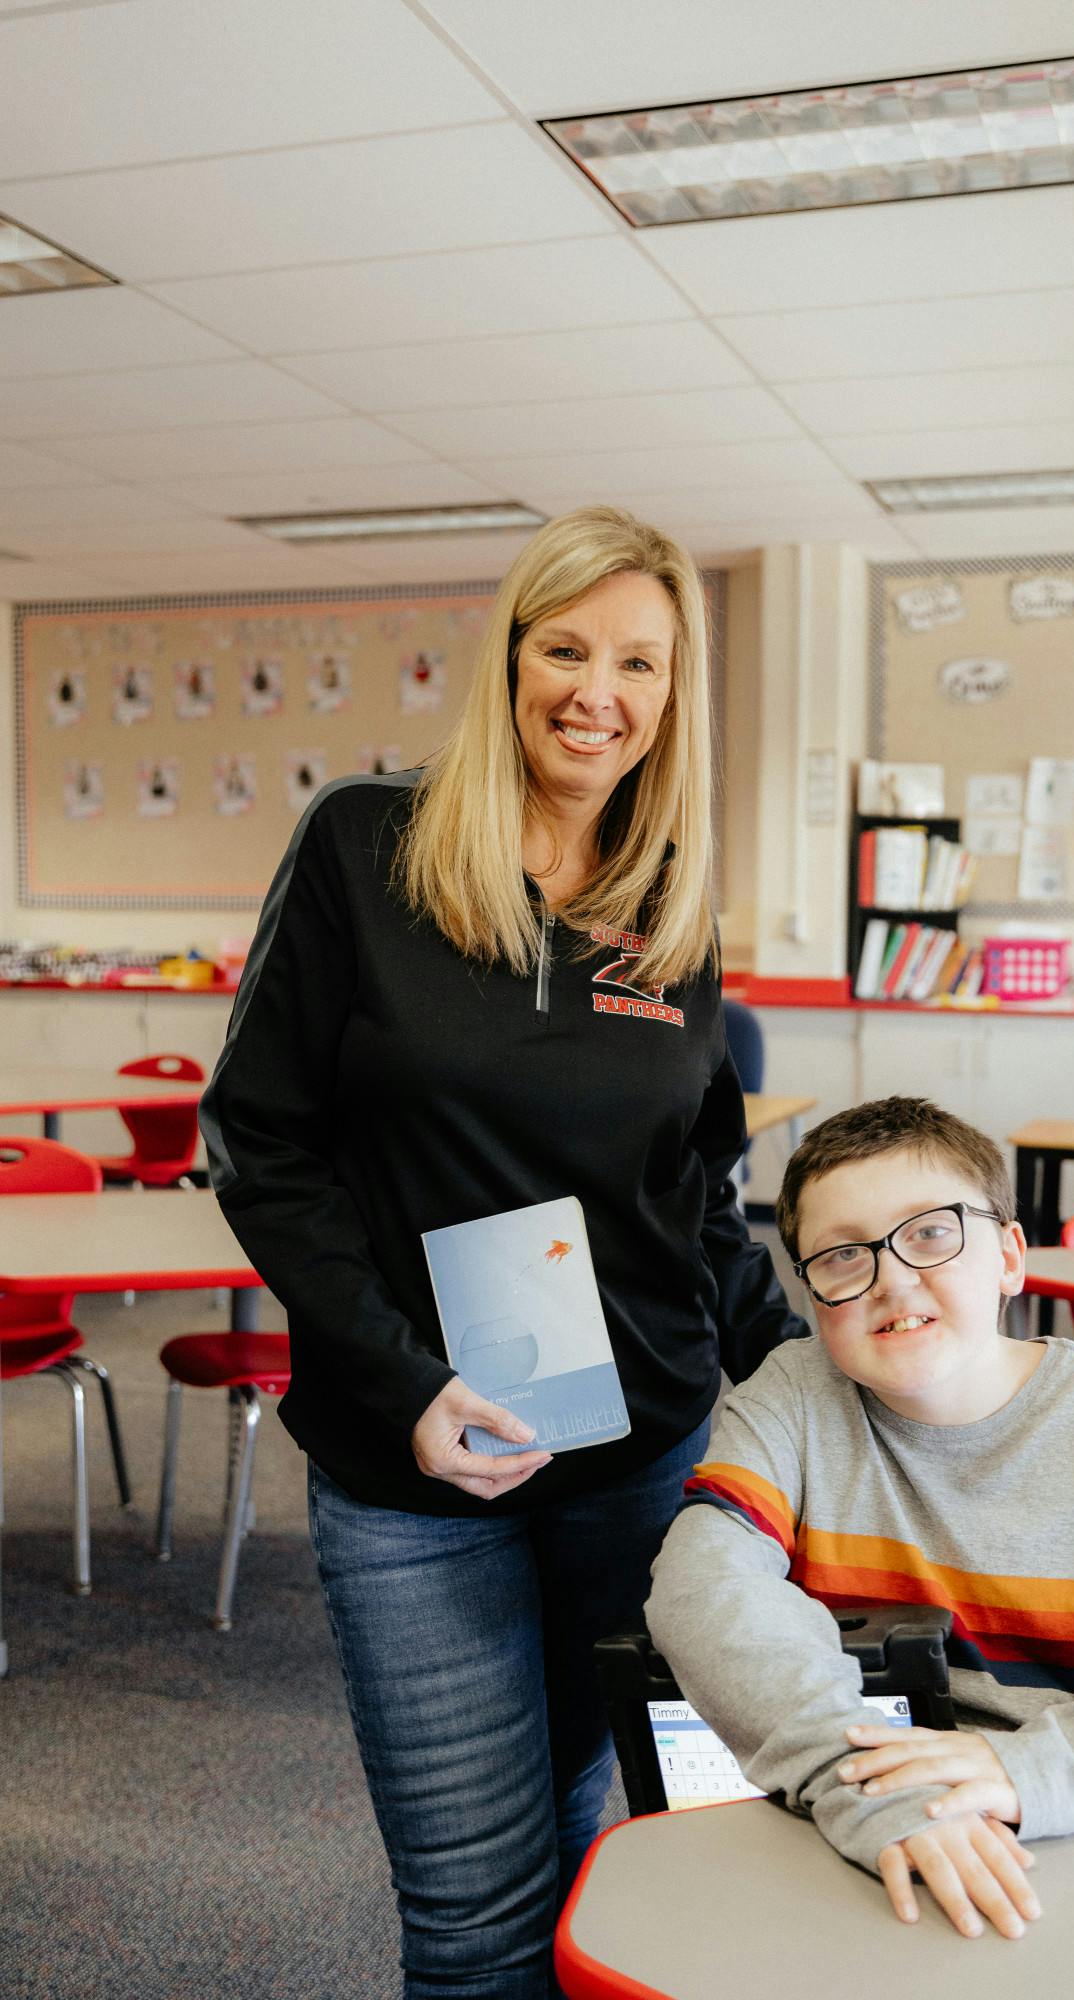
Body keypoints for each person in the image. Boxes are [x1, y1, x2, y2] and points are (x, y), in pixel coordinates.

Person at [200, 506, 806, 1999]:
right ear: (512, 655)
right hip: (419, 1466)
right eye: (566, 648)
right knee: (472, 1920)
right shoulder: (367, 846)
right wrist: (404, 1383)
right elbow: (258, 1145)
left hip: (642, 1462)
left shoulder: (665, 902)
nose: (597, 692)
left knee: (603, 1860)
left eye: (640, 663)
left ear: (674, 696)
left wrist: (807, 1376)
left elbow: (697, 1194)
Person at [646, 1096, 1074, 1942]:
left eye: (930, 1233)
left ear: (1010, 1256)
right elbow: (702, 1587)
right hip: (864, 1839)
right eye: (841, 1256)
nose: (892, 1278)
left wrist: (1021, 1768)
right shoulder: (791, 1397)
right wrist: (875, 1789)